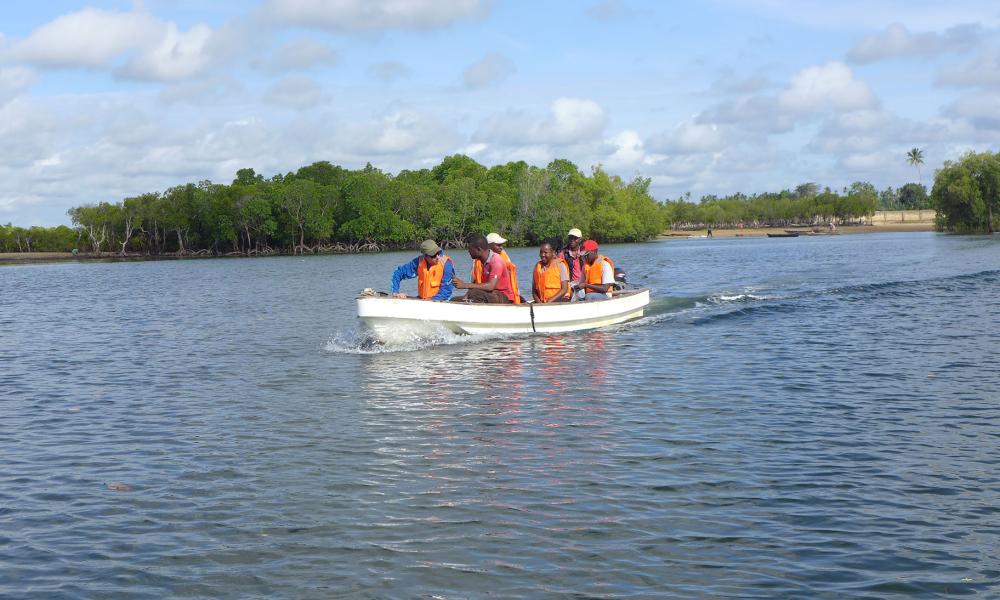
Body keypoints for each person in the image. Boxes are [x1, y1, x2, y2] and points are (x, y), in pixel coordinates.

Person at [452, 234, 516, 303]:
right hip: (491, 294)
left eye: (470, 249)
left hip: (504, 296)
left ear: (479, 249)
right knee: (454, 299)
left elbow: (490, 286)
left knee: (474, 293)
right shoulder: (484, 261)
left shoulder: (496, 261)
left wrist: (464, 285)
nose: (468, 251)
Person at [390, 239, 455, 301]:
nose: (437, 257)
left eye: (438, 253)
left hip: (441, 302)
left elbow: (446, 291)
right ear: (425, 256)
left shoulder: (447, 264)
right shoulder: (418, 262)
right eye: (433, 255)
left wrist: (431, 301)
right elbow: (398, 273)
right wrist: (395, 293)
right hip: (422, 300)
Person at [472, 232, 522, 303]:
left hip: (501, 295)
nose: (501, 247)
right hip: (486, 293)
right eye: (498, 245)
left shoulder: (502, 258)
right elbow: (474, 279)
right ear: (488, 246)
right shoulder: (477, 260)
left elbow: (511, 279)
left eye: (501, 245)